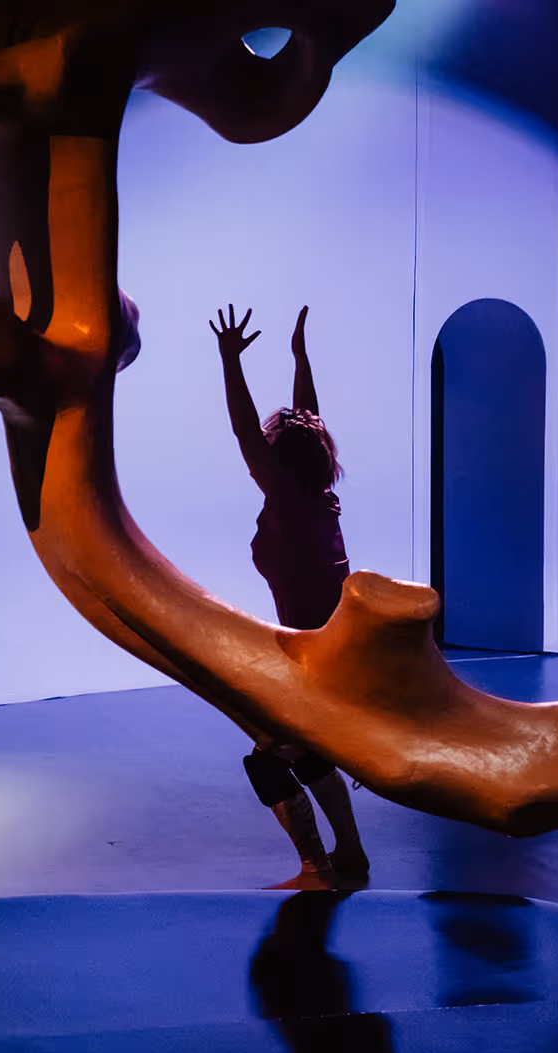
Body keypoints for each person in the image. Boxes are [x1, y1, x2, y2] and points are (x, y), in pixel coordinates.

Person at [212, 301, 370, 888]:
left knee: (266, 763)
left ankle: (317, 867)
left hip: (314, 659)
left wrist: (230, 362)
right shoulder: (321, 493)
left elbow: (243, 428)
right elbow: (310, 418)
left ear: (280, 459)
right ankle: (350, 856)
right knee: (308, 756)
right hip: (332, 651)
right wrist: (300, 357)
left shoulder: (284, 494)